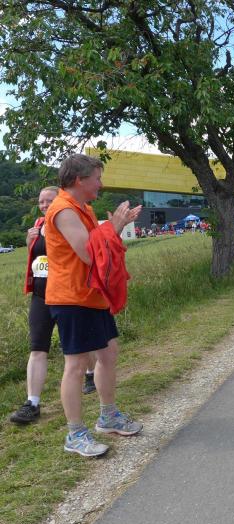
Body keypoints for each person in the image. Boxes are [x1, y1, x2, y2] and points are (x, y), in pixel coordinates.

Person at [46, 154, 143, 457]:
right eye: (97, 178)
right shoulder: (63, 210)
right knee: (76, 365)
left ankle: (108, 416)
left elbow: (100, 246)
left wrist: (117, 226)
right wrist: (114, 226)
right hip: (72, 297)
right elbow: (89, 253)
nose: (100, 184)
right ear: (80, 180)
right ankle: (75, 434)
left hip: (92, 294)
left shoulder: (83, 208)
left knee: (108, 353)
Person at [9, 186, 96, 424]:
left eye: (49, 200)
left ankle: (90, 374)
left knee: (78, 344)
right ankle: (32, 403)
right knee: (37, 348)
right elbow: (37, 257)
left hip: (67, 294)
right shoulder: (37, 225)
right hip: (41, 296)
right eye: (41, 201)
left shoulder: (70, 221)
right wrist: (29, 240)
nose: (45, 205)